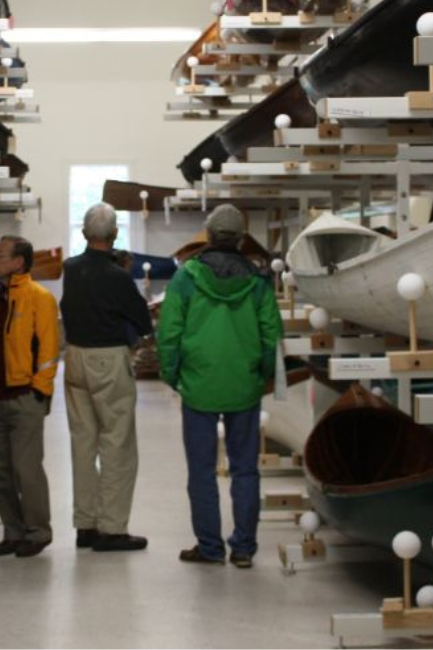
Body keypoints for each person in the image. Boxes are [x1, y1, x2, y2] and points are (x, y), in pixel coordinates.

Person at [156, 204, 283, 568]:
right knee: (245, 469)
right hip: (244, 385)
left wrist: (172, 373)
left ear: (208, 237)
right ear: (241, 239)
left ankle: (210, 548)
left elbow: (169, 332)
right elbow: (272, 335)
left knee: (201, 470)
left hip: (198, 385)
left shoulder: (187, 277)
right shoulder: (258, 281)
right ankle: (243, 547)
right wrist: (261, 374)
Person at [60, 203, 153, 552]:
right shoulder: (118, 277)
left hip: (74, 357)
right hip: (108, 359)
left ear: (84, 233)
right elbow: (143, 322)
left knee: (82, 443)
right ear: (115, 235)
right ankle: (112, 529)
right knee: (117, 443)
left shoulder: (70, 268)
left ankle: (85, 525)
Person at [0, 235, 61, 558]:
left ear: (18, 262)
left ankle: (38, 532)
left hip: (25, 397)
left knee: (26, 470)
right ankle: (13, 532)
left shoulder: (39, 297)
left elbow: (50, 350)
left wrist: (40, 390)